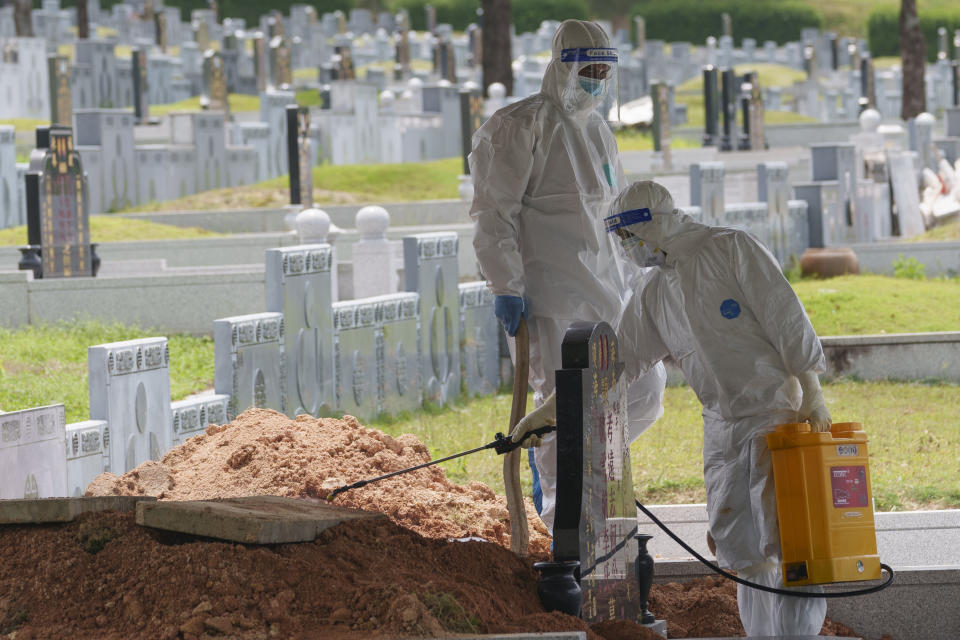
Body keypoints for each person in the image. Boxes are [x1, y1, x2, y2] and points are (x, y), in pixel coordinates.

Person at [516, 179, 831, 636]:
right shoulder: (654, 291)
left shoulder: (731, 250)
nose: (625, 247)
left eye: (627, 234)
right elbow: (615, 361)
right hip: (722, 429)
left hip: (776, 418)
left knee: (791, 544)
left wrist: (813, 393)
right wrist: (550, 411)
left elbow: (786, 317)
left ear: (654, 221)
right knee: (744, 552)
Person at [469, 19, 666, 533]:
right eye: (588, 69)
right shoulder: (519, 127)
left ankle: (590, 490)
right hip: (549, 298)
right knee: (562, 410)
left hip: (606, 293)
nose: (596, 80)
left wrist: (642, 272)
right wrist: (505, 286)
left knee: (644, 391)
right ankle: (566, 536)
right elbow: (494, 215)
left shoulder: (599, 130)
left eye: (604, 71)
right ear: (563, 65)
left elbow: (616, 212)